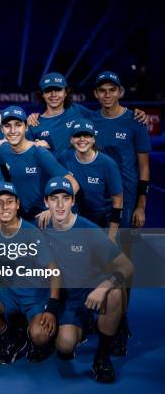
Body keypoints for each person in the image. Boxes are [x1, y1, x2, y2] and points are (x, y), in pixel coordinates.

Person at [43, 177, 133, 382]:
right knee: (64, 347)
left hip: (94, 288)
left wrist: (104, 287)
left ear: (73, 202)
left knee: (115, 293)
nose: (59, 204)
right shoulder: (40, 228)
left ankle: (102, 356)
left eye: (65, 198)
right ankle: (87, 325)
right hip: (70, 298)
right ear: (46, 202)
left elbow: (126, 266)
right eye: (54, 199)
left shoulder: (88, 229)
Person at [91, 71, 151, 355]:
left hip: (126, 204)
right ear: (95, 94)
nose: (106, 95)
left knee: (123, 264)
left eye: (111, 90)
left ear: (120, 92)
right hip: (98, 204)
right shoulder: (90, 120)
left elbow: (144, 168)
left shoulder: (135, 121)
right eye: (101, 90)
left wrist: (141, 205)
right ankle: (105, 315)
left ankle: (121, 322)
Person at [0, 183, 60, 364]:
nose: (5, 207)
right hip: (8, 293)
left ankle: (29, 332)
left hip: (35, 296)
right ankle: (10, 335)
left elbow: (55, 273)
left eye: (9, 202)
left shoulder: (32, 234)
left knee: (40, 337)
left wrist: (51, 308)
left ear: (17, 204)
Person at [27, 72, 147, 156]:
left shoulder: (78, 111)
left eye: (58, 90)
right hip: (52, 186)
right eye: (48, 91)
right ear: (42, 94)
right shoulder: (35, 123)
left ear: (65, 92)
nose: (53, 95)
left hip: (81, 182)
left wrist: (133, 114)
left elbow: (107, 116)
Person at [0, 106, 78, 227]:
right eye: (8, 126)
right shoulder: (3, 150)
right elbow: (7, 177)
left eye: (18, 125)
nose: (13, 130)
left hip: (43, 218)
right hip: (21, 217)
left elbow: (73, 184)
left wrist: (52, 210)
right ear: (2, 129)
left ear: (26, 127)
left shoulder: (40, 153)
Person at [58, 121, 123, 239]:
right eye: (77, 135)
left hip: (102, 223)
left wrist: (112, 236)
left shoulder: (108, 165)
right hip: (75, 222)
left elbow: (118, 200)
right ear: (71, 140)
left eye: (87, 135)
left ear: (93, 139)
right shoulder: (65, 157)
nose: (82, 139)